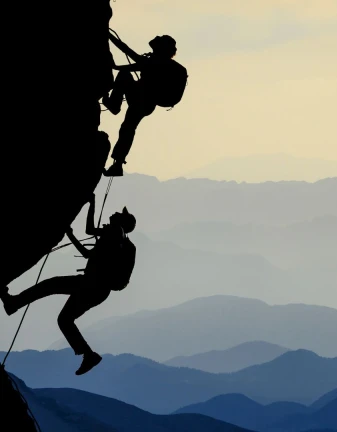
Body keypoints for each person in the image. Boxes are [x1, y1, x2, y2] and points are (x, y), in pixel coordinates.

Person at [1, 195, 137, 375]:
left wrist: (91, 204)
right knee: (63, 317)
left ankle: (13, 303)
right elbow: (89, 247)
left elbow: (88, 235)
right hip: (97, 289)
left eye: (119, 213)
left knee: (50, 287)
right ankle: (88, 354)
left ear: (122, 222)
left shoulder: (113, 232)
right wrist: (72, 234)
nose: (115, 213)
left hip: (91, 285)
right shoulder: (120, 240)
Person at [102, 33, 184, 176]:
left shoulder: (153, 63)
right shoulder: (168, 66)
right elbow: (129, 57)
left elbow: (126, 51)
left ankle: (114, 105)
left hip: (141, 100)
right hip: (148, 103)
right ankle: (118, 163)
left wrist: (107, 35)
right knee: (128, 127)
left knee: (127, 127)